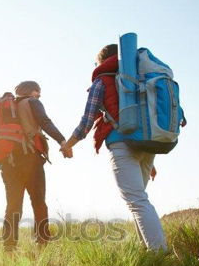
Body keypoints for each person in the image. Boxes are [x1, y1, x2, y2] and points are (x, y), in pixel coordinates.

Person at [60, 44, 173, 252]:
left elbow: (87, 121)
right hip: (148, 145)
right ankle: (148, 251)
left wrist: (68, 144)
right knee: (138, 201)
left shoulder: (101, 80)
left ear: (102, 61)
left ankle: (159, 254)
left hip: (122, 144)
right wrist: (149, 159)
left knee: (137, 201)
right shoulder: (139, 78)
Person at [1, 81, 67, 252]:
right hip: (30, 159)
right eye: (38, 91)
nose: (39, 95)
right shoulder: (32, 102)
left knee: (13, 204)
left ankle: (9, 247)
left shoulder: (8, 108)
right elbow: (45, 122)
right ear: (32, 91)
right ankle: (42, 242)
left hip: (8, 162)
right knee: (38, 201)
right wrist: (62, 140)